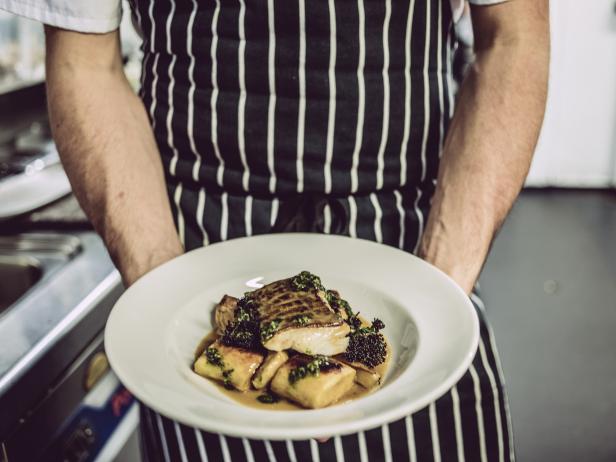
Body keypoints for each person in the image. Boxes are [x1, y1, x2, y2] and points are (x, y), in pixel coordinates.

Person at [0, 0, 549, 460]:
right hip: (192, 241)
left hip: (410, 236)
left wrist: (435, 296)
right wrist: (165, 296)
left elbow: (512, 37)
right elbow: (84, 60)